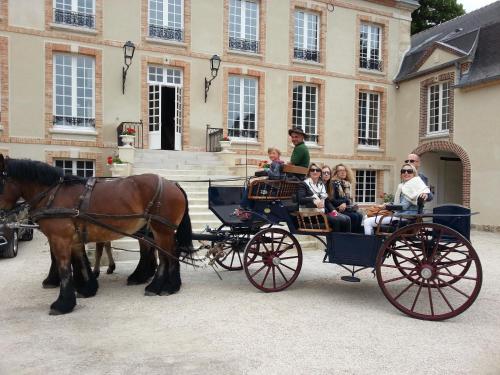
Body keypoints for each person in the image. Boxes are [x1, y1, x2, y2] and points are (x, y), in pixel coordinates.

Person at [363, 163, 430, 235]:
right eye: (403, 171)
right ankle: (376, 241)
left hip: (405, 217)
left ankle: (370, 244)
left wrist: (386, 207)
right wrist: (389, 204)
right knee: (367, 216)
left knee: (367, 222)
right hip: (403, 216)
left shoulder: (411, 186)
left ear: (414, 173)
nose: (406, 173)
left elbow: (404, 206)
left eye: (409, 171)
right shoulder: (407, 185)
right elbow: (401, 202)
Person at [297, 163, 351, 232]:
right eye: (312, 170)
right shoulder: (304, 184)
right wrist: (313, 200)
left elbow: (327, 201)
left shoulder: (321, 185)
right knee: (337, 220)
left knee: (347, 218)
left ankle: (346, 240)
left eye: (317, 170)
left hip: (323, 212)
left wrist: (333, 210)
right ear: (309, 172)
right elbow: (300, 199)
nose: (315, 172)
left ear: (320, 173)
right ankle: (336, 241)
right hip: (311, 214)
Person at [330, 163, 364, 233]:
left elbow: (347, 199)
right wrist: (345, 201)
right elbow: (332, 200)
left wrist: (347, 202)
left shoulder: (345, 184)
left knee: (359, 215)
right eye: (340, 170)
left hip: (344, 209)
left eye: (344, 170)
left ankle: (356, 236)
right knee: (354, 216)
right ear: (335, 173)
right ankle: (349, 237)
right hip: (334, 210)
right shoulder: (332, 183)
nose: (343, 172)